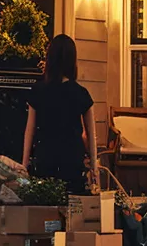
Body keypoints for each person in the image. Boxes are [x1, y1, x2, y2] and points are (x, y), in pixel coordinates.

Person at [22, 35, 98, 195]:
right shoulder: (81, 94)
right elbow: (91, 134)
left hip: (45, 156)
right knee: (73, 205)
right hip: (72, 159)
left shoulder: (38, 91)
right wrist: (94, 166)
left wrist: (24, 163)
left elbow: (30, 130)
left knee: (45, 205)